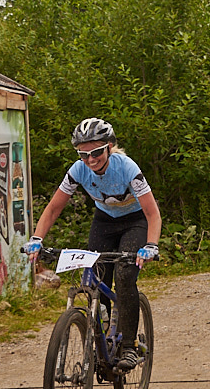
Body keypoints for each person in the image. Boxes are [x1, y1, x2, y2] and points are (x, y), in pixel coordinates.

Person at [25, 118, 161, 371]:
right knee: (95, 279)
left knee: (124, 274)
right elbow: (54, 207)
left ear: (109, 147)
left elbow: (153, 214)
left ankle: (129, 345)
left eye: (96, 152)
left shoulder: (127, 167)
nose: (90, 159)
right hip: (105, 221)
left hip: (135, 222)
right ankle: (103, 340)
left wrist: (151, 244)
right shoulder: (78, 170)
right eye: (83, 154)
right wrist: (37, 239)